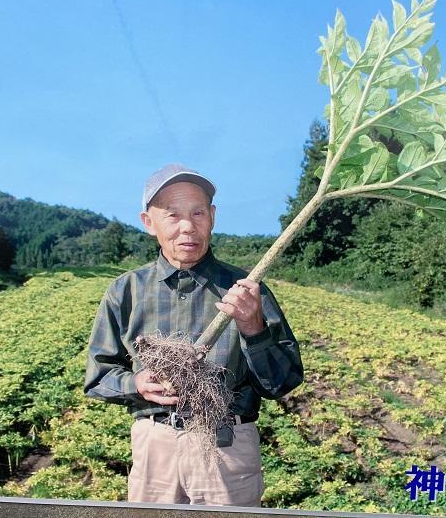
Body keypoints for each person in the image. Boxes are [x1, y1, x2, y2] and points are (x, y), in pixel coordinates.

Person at [83, 163, 303, 506]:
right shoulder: (125, 291)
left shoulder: (246, 290)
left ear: (212, 216)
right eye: (172, 215)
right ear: (148, 222)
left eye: (198, 213)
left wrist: (253, 328)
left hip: (226, 451)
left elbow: (283, 382)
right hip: (155, 449)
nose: (188, 227)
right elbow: (98, 377)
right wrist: (136, 384)